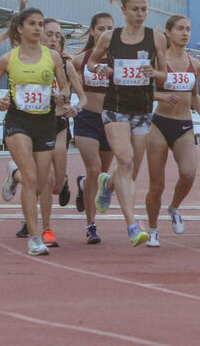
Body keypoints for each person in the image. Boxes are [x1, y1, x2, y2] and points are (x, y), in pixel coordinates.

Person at [0, 2, 74, 256]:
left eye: (40, 24)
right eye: (33, 24)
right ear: (21, 29)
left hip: (45, 123)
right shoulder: (8, 59)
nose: (38, 28)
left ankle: (13, 177)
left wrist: (61, 96)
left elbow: (66, 88)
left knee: (43, 181)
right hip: (18, 122)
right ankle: (34, 237)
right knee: (32, 176)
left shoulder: (53, 57)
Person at [87, 0, 168, 247]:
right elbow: (91, 62)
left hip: (142, 110)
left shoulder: (156, 38)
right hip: (115, 108)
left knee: (129, 172)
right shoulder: (110, 37)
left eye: (145, 9)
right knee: (125, 158)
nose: (141, 14)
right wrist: (100, 70)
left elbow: (165, 75)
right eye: (135, 9)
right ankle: (133, 225)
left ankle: (107, 184)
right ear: (124, 10)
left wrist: (154, 73)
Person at [12, 15, 85, 247]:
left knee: (55, 184)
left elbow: (81, 97)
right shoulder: (23, 60)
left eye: (57, 36)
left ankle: (13, 174)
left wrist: (74, 106)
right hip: (34, 124)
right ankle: (43, 228)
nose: (54, 39)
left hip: (59, 124)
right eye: (49, 34)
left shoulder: (65, 64)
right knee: (42, 179)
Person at [145, 15, 200, 247]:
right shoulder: (158, 60)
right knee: (157, 184)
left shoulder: (196, 63)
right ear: (169, 33)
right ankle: (153, 229)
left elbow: (194, 95)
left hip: (184, 125)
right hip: (160, 123)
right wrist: (161, 95)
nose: (185, 33)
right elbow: (142, 91)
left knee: (188, 173)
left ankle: (174, 207)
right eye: (180, 29)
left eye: (188, 29)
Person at [71, 12, 115, 245]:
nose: (105, 32)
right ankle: (91, 225)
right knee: (94, 168)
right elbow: (68, 84)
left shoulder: (119, 60)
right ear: (91, 31)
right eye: (101, 28)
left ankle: (82, 185)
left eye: (110, 28)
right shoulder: (80, 60)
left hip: (111, 120)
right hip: (87, 118)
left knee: (101, 176)